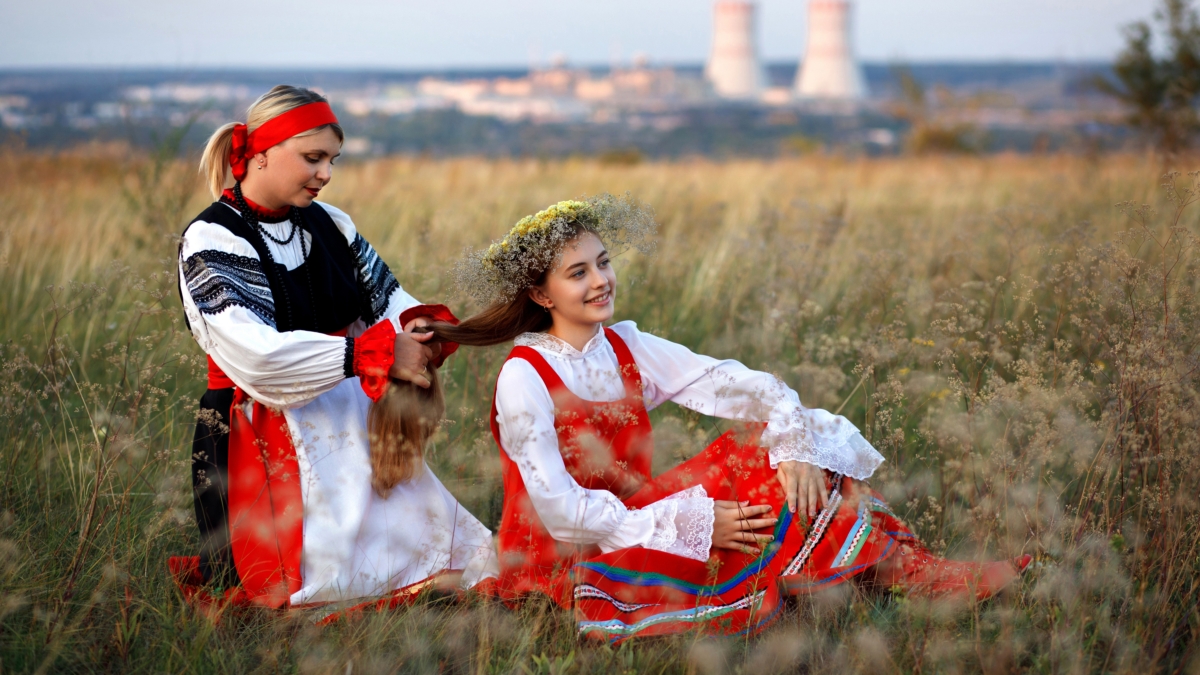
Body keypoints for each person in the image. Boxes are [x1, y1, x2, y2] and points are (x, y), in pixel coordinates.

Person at [414, 195, 1030, 642]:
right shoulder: (524, 378)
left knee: (770, 446)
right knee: (744, 484)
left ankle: (901, 572)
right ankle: (874, 576)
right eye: (579, 273)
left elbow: (748, 388)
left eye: (603, 262)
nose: (602, 280)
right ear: (542, 296)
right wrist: (689, 520)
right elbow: (560, 512)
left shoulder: (625, 344)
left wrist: (792, 449)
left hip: (643, 511)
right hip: (571, 552)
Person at [172, 85, 495, 611]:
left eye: (331, 160)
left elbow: (387, 303)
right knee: (319, 587)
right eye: (312, 158)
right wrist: (367, 354)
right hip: (261, 431)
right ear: (260, 152)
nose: (325, 173)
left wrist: (417, 332)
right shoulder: (214, 238)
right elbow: (258, 357)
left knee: (454, 557)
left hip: (349, 417)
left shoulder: (329, 223)